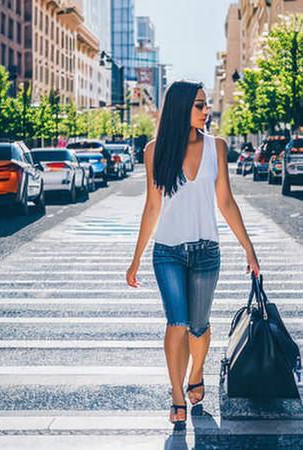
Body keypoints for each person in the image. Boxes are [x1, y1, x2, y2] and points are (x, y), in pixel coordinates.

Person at [125, 81, 260, 425]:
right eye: (199, 105)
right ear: (181, 108)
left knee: (198, 327)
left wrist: (249, 248)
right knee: (177, 322)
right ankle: (175, 394)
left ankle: (196, 373)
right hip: (167, 252)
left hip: (206, 253)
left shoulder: (217, 147)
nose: (206, 110)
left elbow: (226, 201)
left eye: (206, 105)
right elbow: (152, 207)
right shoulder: (155, 150)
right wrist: (136, 257)